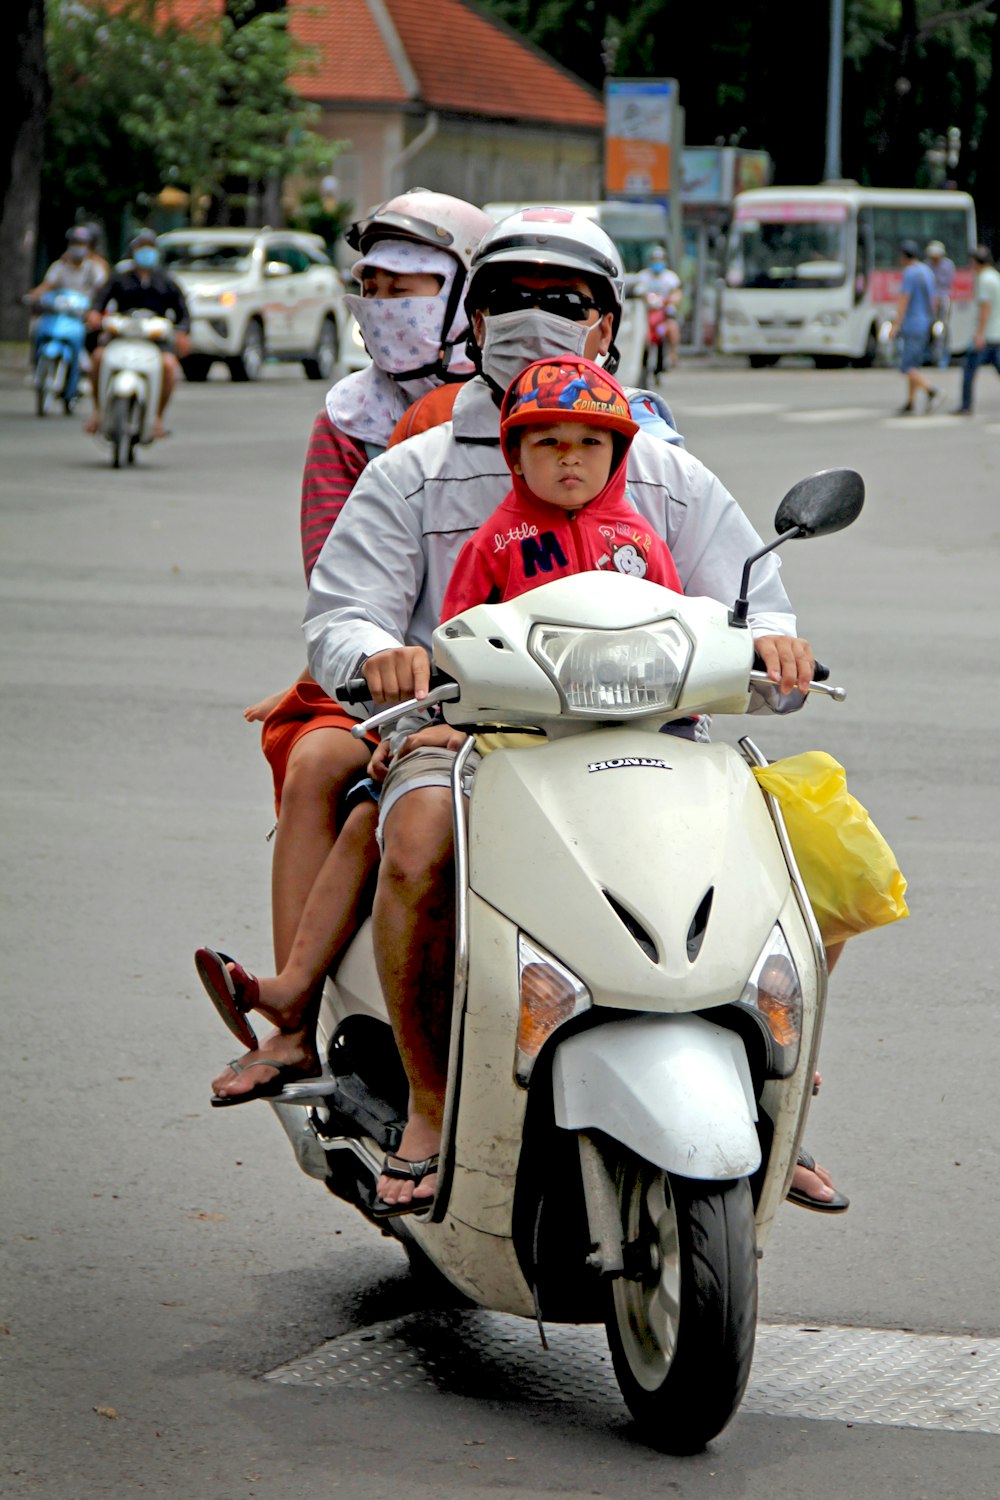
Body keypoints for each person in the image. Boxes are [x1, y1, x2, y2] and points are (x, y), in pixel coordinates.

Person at [300, 206, 845, 1216]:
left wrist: (775, 637)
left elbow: (752, 594)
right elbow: (341, 614)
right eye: (507, 297)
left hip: (652, 737)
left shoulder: (665, 475)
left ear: (606, 325)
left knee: (813, 855)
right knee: (414, 842)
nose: (531, 319)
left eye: (563, 301)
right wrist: (383, 659)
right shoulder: (413, 471)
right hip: (472, 738)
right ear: (473, 316)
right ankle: (426, 1103)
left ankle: (784, 1105)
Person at [202, 191, 494, 1105]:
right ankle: (291, 1027)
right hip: (385, 672)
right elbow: (334, 573)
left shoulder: (558, 409)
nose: (379, 303)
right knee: (320, 762)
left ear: (466, 296)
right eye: (366, 285)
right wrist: (355, 659)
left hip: (527, 672)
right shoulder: (351, 415)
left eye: (403, 285)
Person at [84, 229, 191, 441]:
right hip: (121, 334)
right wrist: (95, 315)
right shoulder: (120, 278)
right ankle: (98, 411)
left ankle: (157, 418)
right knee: (98, 358)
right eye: (141, 248)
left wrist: (182, 333)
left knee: (169, 365)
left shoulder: (167, 281)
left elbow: (183, 313)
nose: (146, 253)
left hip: (155, 339)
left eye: (149, 248)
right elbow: (100, 301)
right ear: (133, 251)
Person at [889, 240, 940, 415]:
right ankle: (910, 402)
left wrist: (895, 325)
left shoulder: (910, 273)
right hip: (925, 322)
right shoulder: (926, 271)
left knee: (907, 366)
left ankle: (932, 391)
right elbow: (934, 300)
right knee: (914, 364)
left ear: (904, 256)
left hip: (912, 324)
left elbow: (904, 299)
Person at [952, 244, 1000, 415]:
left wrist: (979, 334)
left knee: (969, 369)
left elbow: (985, 308)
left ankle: (966, 405)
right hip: (996, 334)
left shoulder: (984, 280)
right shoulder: (995, 276)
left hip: (987, 335)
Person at [634, 244, 682, 379]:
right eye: (655, 260)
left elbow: (677, 293)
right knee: (643, 334)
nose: (657, 263)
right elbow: (639, 291)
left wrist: (670, 300)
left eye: (660, 260)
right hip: (648, 313)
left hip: (665, 312)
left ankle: (673, 354)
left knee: (672, 328)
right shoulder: (643, 276)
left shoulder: (670, 277)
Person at [924, 239, 955, 368]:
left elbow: (946, 284)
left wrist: (937, 296)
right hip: (930, 300)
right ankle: (928, 355)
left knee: (942, 327)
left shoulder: (947, 265)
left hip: (943, 299)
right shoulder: (927, 265)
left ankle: (942, 356)